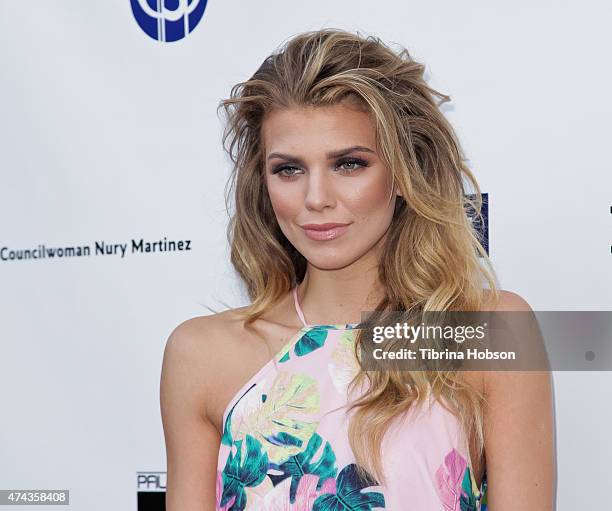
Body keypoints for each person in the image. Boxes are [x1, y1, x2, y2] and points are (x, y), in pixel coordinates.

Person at [160, 28, 555, 510]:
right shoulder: (201, 354)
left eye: (349, 164)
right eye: (289, 169)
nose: (316, 198)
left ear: (405, 172)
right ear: (263, 184)